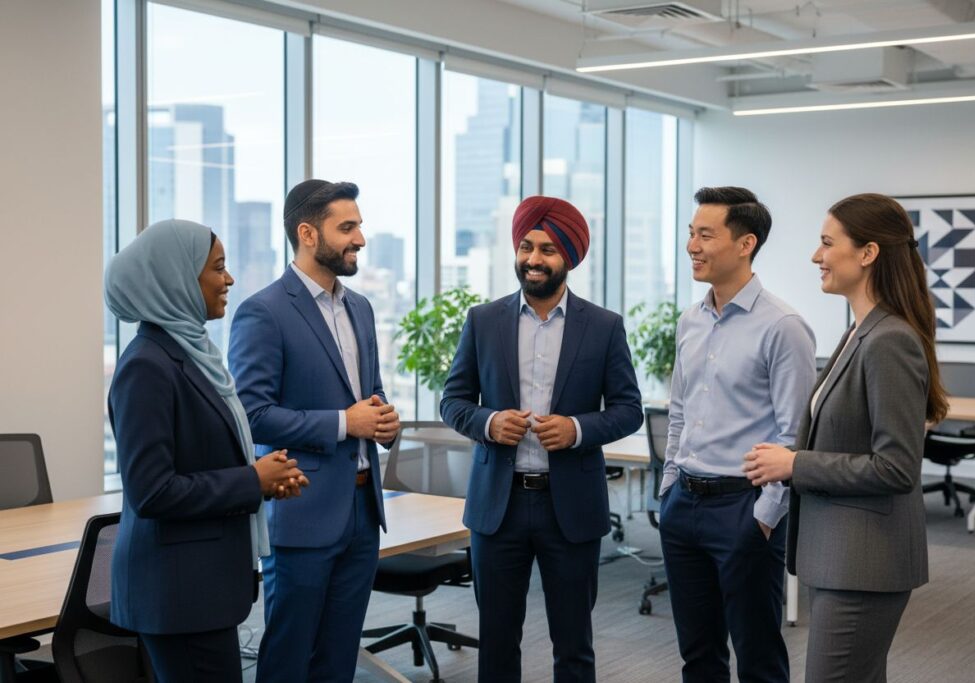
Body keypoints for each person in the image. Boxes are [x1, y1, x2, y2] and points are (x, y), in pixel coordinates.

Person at [743, 193, 948, 683]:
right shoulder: (860, 331)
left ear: (868, 253)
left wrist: (796, 464)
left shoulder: (889, 340)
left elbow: (896, 467)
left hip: (864, 563)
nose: (817, 256)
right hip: (842, 555)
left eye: (827, 243)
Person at [440, 195, 643, 683]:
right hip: (498, 507)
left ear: (568, 257)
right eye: (527, 246)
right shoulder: (482, 321)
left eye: (548, 249)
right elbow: (452, 402)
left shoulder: (604, 327)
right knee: (497, 642)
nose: (534, 259)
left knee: (574, 645)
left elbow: (628, 409)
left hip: (569, 507)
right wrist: (489, 424)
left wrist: (576, 429)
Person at [105, 219, 307, 683]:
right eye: (217, 267)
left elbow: (203, 458)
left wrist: (263, 481)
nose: (229, 279)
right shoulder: (146, 367)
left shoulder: (194, 356)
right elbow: (152, 492)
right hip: (178, 594)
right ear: (176, 277)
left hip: (200, 587)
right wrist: (251, 480)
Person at [228, 180, 400, 683]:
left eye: (360, 226)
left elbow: (370, 391)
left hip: (364, 513)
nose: (360, 239)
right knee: (288, 659)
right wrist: (348, 423)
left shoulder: (361, 308)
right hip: (302, 512)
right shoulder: (264, 311)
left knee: (339, 658)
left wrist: (382, 418)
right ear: (307, 233)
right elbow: (253, 414)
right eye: (347, 227)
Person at [660, 187, 816, 683]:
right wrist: (667, 489)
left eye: (706, 234)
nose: (692, 245)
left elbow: (796, 436)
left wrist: (766, 516)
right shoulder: (690, 320)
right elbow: (679, 412)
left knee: (758, 657)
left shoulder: (783, 326)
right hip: (684, 504)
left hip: (743, 509)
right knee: (698, 655)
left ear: (745, 243)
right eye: (691, 233)